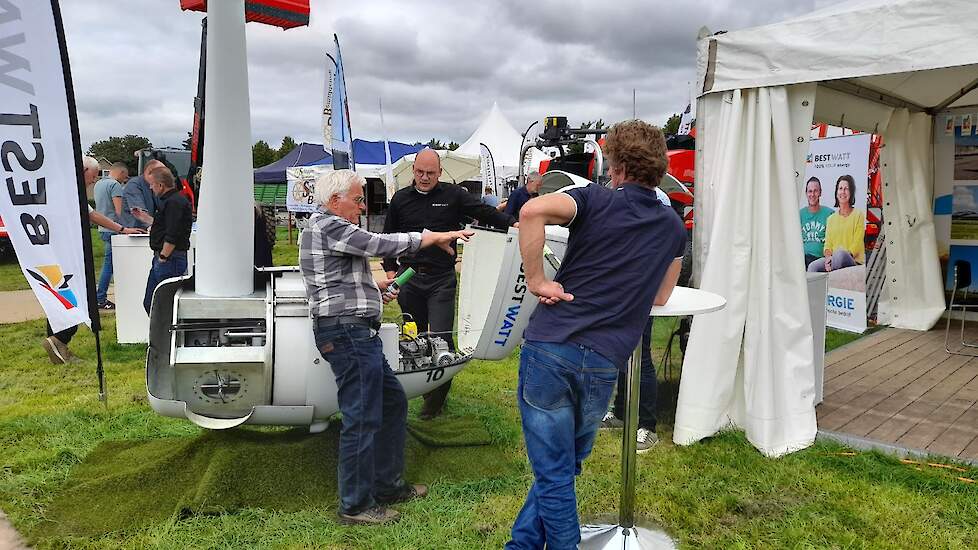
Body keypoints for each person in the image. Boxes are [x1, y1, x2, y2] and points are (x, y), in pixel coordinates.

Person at [505, 120, 686, 550]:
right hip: (605, 361)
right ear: (658, 169)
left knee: (555, 472)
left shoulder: (593, 199)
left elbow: (530, 212)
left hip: (552, 347)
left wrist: (537, 281)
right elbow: (661, 295)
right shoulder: (673, 227)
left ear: (616, 166)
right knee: (562, 469)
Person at [300, 169, 473, 525]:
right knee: (362, 416)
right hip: (348, 333)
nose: (362, 207)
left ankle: (388, 486)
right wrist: (431, 236)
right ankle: (356, 505)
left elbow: (341, 279)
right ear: (335, 201)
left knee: (391, 403)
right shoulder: (327, 226)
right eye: (358, 199)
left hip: (355, 331)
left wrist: (375, 289)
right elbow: (379, 244)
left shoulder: (328, 228)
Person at [382, 148, 517, 419]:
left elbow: (484, 212)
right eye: (419, 172)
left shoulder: (453, 195)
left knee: (442, 341)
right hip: (409, 276)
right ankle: (417, 390)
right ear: (414, 171)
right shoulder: (400, 199)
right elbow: (388, 236)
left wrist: (514, 223)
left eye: (430, 173)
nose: (424, 177)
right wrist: (388, 270)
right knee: (412, 339)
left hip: (441, 279)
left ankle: (435, 402)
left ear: (440, 173)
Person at [41, 157, 144, 365]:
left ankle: (58, 340)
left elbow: (92, 214)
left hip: (58, 249)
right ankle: (59, 338)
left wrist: (122, 229)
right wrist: (122, 228)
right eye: (93, 175)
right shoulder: (69, 190)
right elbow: (93, 216)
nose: (94, 180)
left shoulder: (60, 188)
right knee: (74, 294)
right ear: (84, 170)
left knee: (63, 292)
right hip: (66, 251)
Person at [600, 186, 676, 453]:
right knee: (623, 353)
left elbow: (665, 250)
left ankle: (647, 426)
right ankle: (621, 413)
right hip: (621, 291)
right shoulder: (620, 194)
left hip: (641, 291)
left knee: (640, 355)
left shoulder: (659, 200)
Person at [143, 166, 192, 314]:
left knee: (162, 304)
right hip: (168, 258)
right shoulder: (174, 201)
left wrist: (163, 256)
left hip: (170, 259)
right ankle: (163, 335)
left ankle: (166, 335)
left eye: (152, 184)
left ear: (160, 185)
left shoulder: (173, 203)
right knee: (152, 302)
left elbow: (173, 232)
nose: (151, 188)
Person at [807, 174, 865, 272]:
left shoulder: (858, 215)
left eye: (846, 188)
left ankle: (832, 281)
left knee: (840, 254)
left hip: (853, 260)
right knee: (813, 266)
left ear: (851, 192)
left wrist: (840, 256)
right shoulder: (831, 219)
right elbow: (828, 244)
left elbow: (857, 244)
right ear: (836, 192)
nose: (842, 192)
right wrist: (828, 258)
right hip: (834, 259)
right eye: (840, 188)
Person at [92, 162, 129, 309]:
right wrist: (125, 227)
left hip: (102, 228)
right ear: (120, 173)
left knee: (111, 263)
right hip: (114, 228)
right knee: (110, 265)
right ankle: (100, 297)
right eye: (124, 177)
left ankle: (101, 296)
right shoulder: (115, 186)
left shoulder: (98, 184)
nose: (124, 180)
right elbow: (119, 211)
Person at [799, 176, 834, 268]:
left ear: (820, 192)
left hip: (820, 260)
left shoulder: (829, 214)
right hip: (801, 259)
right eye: (810, 191)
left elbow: (834, 240)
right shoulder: (800, 214)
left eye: (815, 191)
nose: (812, 194)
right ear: (806, 193)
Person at [121, 159, 164, 230]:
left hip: (145, 231)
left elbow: (164, 207)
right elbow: (140, 214)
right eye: (161, 175)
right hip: (132, 234)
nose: (163, 178)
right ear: (149, 172)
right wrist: (161, 226)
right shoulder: (134, 185)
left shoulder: (154, 186)